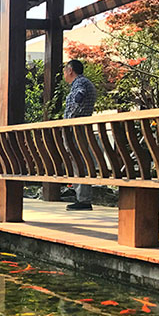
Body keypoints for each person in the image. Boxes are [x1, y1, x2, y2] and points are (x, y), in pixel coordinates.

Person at [63, 59, 97, 210]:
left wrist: (70, 117)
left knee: (79, 159)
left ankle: (83, 198)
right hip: (80, 127)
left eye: (65, 71)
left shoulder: (80, 83)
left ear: (70, 70)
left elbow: (79, 97)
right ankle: (79, 193)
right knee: (78, 159)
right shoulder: (84, 82)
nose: (64, 75)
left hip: (76, 128)